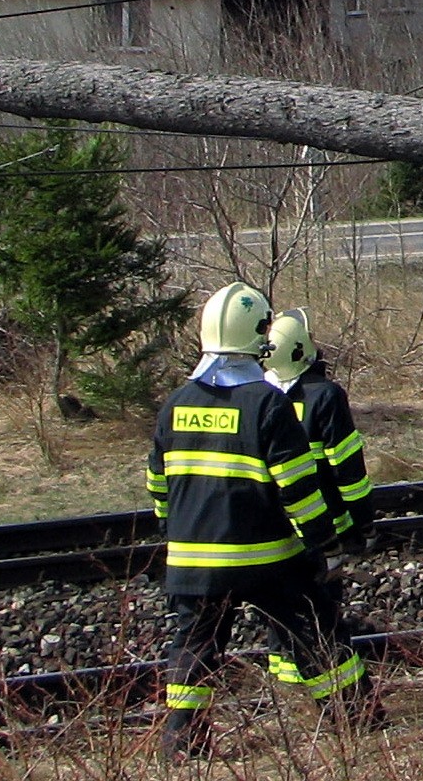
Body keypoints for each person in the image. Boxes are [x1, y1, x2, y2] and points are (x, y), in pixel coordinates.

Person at [145, 282, 371, 758]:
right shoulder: (266, 403)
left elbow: (159, 487)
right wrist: (323, 542)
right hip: (267, 559)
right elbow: (298, 486)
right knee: (316, 633)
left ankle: (181, 744)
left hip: (193, 561)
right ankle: (355, 718)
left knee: (194, 649)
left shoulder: (175, 405)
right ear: (259, 336)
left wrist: (175, 536)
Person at [261, 309, 376, 688]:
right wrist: (363, 523)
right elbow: (348, 470)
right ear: (301, 349)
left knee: (283, 612)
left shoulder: (259, 398)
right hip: (325, 530)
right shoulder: (325, 396)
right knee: (322, 609)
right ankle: (332, 687)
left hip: (276, 531)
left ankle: (287, 681)